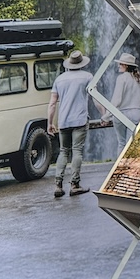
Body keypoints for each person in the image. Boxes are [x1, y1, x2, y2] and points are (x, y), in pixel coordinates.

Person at [48, 51, 93, 198]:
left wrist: (50, 122)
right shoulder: (87, 77)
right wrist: (105, 113)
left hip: (63, 120)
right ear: (81, 63)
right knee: (77, 151)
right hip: (79, 119)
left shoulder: (59, 79)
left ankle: (58, 185)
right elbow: (96, 97)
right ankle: (74, 185)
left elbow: (52, 103)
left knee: (63, 151)